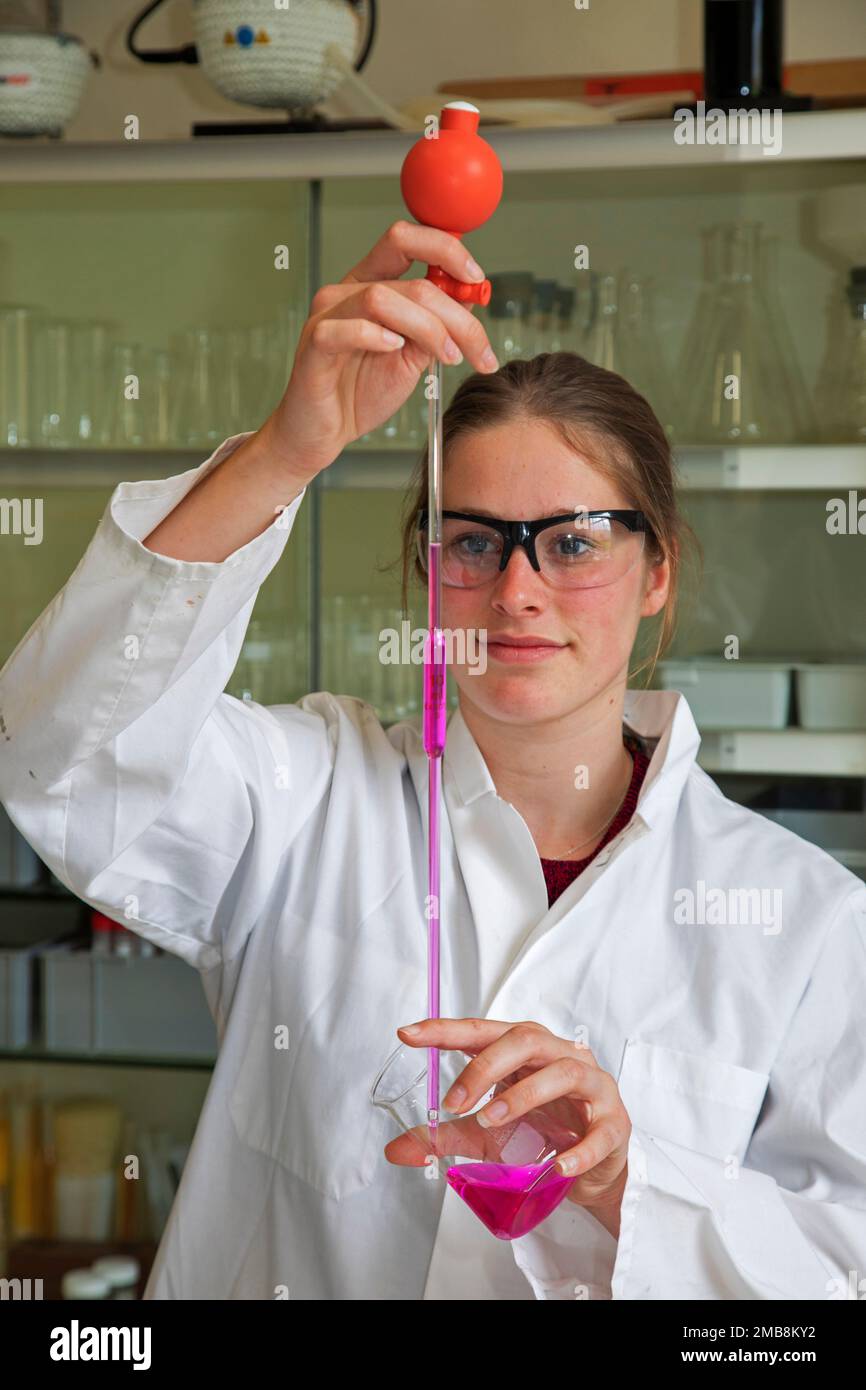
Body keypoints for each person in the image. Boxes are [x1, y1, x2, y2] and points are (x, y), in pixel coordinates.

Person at [0, 221, 864, 1301]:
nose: (514, 591)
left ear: (656, 571)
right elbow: (55, 754)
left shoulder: (805, 921)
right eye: (471, 539)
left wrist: (626, 1174)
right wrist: (287, 449)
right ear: (426, 568)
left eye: (575, 539)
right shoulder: (306, 800)